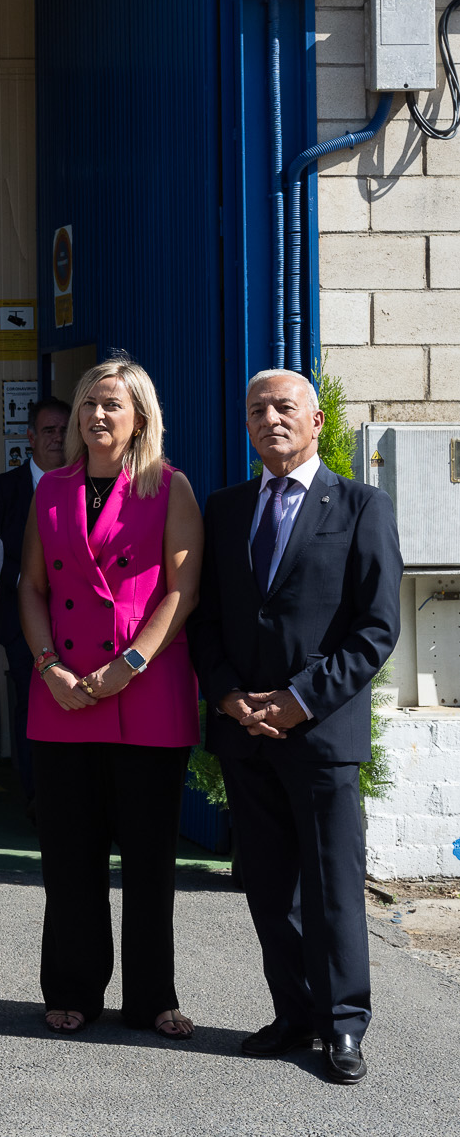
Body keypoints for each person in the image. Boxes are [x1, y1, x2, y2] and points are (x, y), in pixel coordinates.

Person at [189, 368, 401, 1084]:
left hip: (320, 734)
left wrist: (301, 699)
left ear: (315, 423)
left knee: (332, 884)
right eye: (256, 410)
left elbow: (375, 628)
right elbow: (206, 618)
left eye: (284, 408)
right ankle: (293, 1014)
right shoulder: (223, 509)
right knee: (269, 885)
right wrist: (225, 696)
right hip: (242, 731)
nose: (269, 419)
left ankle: (342, 1026)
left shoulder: (361, 506)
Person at [17, 360, 203, 1039]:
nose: (95, 416)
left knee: (149, 861)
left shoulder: (170, 487)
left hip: (144, 690)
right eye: (88, 404)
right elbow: (31, 587)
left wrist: (130, 663)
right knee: (68, 857)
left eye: (111, 406)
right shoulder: (52, 491)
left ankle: (153, 997)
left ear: (139, 418)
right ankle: (70, 988)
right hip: (64, 694)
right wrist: (46, 666)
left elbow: (181, 592)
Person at [0, 394, 69, 809]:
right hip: (22, 621)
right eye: (49, 431)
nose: (57, 439)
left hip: (80, 621)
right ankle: (39, 801)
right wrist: (29, 583)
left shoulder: (90, 487)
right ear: (31, 437)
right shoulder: (0, 491)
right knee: (33, 703)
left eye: (63, 431)